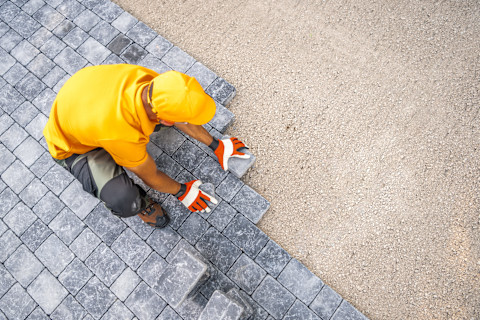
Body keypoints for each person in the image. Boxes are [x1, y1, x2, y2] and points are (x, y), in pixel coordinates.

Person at [43, 64, 249, 228]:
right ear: (167, 120)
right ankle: (141, 204)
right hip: (73, 146)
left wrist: (216, 144)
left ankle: (107, 139)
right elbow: (150, 176)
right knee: (123, 199)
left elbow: (178, 113)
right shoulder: (123, 133)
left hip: (84, 105)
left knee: (154, 122)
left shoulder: (153, 83)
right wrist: (182, 192)